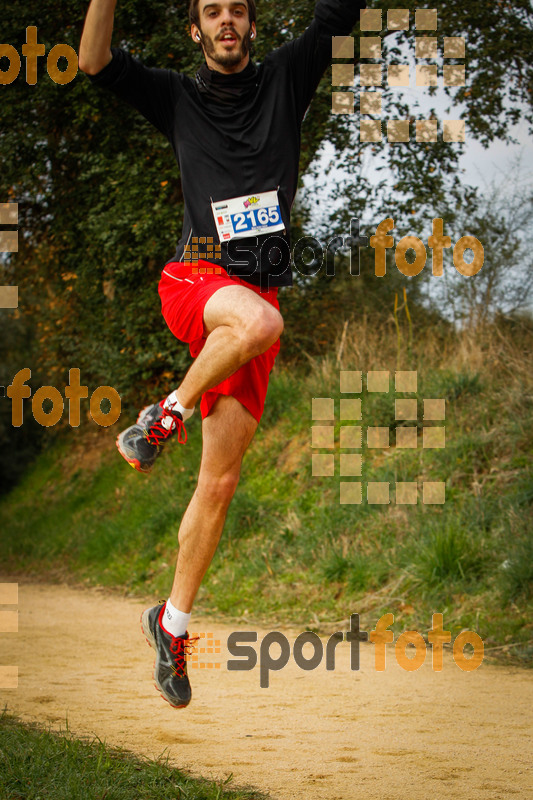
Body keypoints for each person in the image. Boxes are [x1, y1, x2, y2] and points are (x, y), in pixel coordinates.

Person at [79, 0, 363, 708]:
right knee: (263, 319)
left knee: (220, 484)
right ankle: (163, 417)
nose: (226, 20)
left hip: (252, 309)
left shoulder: (286, 80)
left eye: (237, 9)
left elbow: (338, 13)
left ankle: (170, 626)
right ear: (195, 30)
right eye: (213, 11)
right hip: (198, 279)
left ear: (252, 25)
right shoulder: (175, 96)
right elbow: (93, 62)